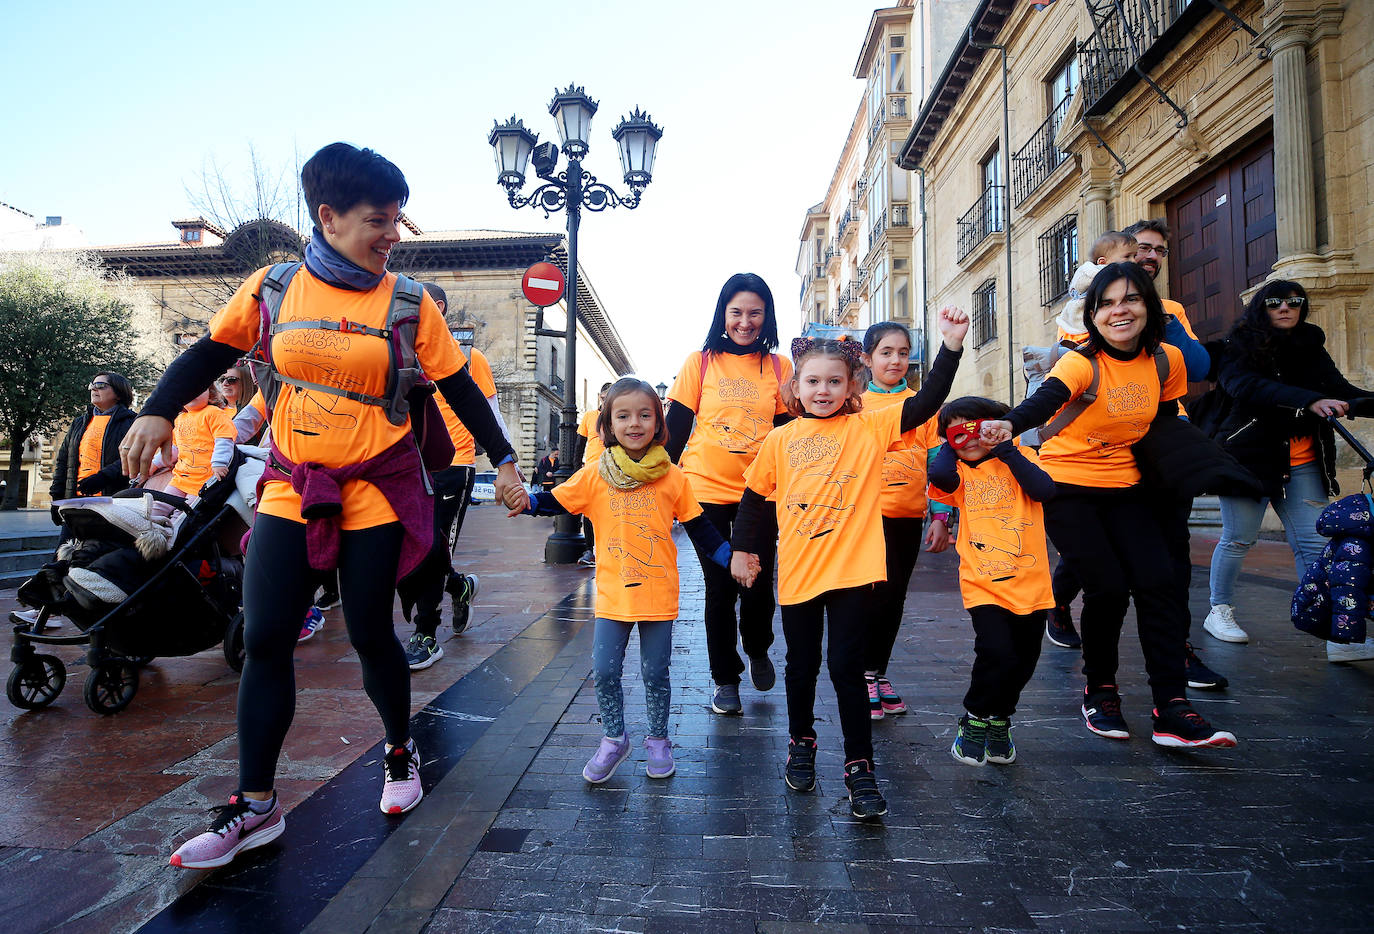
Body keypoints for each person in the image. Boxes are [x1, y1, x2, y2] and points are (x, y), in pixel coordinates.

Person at [120, 142, 527, 871]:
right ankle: (255, 807)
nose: (394, 234)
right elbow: (210, 355)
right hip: (292, 482)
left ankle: (400, 755)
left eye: (398, 219)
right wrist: (153, 409)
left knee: (372, 632)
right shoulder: (273, 288)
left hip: (377, 486)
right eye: (380, 220)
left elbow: (461, 389)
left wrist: (505, 462)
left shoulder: (408, 302)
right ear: (329, 217)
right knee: (267, 636)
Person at [981, 263, 1237, 749]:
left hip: (1127, 484)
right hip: (1067, 485)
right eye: (1107, 303)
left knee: (1160, 584)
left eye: (1131, 300)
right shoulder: (1081, 362)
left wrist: (1196, 463)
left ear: (1149, 307)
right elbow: (1045, 400)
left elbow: (1164, 417)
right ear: (1093, 314)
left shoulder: (1165, 361)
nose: (1119, 311)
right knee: (1108, 588)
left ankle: (1172, 707)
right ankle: (1100, 691)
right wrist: (1008, 425)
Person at [729, 308, 967, 820]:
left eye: (834, 381)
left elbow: (927, 402)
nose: (822, 390)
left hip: (854, 573)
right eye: (812, 381)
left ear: (851, 384)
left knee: (845, 669)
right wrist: (744, 553)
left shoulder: (870, 428)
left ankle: (861, 767)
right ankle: (802, 743)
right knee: (802, 666)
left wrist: (949, 347)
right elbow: (753, 497)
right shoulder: (779, 440)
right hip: (797, 575)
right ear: (795, 387)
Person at [507, 378, 729, 782]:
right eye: (623, 415)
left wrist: (732, 559)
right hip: (612, 597)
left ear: (659, 423)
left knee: (655, 673)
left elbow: (701, 529)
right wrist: (526, 501)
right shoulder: (595, 475)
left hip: (658, 596)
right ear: (608, 424)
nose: (634, 423)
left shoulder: (673, 477)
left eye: (645, 415)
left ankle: (659, 741)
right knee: (606, 671)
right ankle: (614, 739)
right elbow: (555, 501)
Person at [1205, 279, 1374, 655]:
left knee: (1314, 545)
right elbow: (1246, 386)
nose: (1286, 307)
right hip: (1248, 458)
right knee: (1238, 538)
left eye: (1295, 301)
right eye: (1275, 302)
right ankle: (1219, 609)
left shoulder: (1310, 344)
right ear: (1261, 307)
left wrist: (1363, 403)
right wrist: (1311, 401)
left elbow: (1341, 390)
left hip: (1302, 461)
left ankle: (1336, 636)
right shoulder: (1240, 345)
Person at [665, 273, 793, 716]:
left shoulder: (780, 369)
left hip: (762, 493)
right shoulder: (699, 363)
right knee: (719, 587)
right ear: (723, 313)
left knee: (757, 581)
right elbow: (676, 432)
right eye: (736, 311)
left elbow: (786, 436)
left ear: (766, 316)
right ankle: (725, 678)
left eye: (754, 312)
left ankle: (757, 645)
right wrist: (660, 493)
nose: (744, 321)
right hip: (704, 491)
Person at [1121, 218, 1227, 691]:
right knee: (1101, 557)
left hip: (1165, 442)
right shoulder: (1102, 304)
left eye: (1159, 251)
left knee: (1173, 554)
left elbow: (1202, 365)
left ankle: (1177, 650)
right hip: (1113, 445)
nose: (1151, 257)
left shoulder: (1170, 310)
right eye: (1142, 248)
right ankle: (1061, 608)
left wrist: (1162, 319)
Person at [929, 397, 1055, 767]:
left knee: (1024, 659)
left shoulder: (1022, 459)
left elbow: (1045, 491)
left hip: (1031, 582)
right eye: (957, 431)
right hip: (983, 582)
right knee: (996, 651)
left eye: (977, 427)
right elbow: (938, 477)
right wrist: (949, 445)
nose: (969, 438)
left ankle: (1000, 717)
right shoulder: (959, 475)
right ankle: (973, 717)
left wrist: (1004, 448)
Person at [402, 282, 508, 670]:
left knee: (432, 547)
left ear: (438, 308)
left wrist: (504, 464)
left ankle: (426, 634)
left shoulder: (467, 356)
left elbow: (489, 410)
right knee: (405, 546)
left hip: (454, 463)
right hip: (404, 465)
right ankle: (459, 586)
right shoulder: (396, 348)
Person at [858, 321, 953, 719]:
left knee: (895, 598)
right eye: (886, 353)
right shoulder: (856, 406)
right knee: (869, 598)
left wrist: (941, 515)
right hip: (867, 520)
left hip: (908, 517)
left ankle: (879, 672)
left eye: (902, 352)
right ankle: (863, 674)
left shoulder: (923, 405)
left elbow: (938, 461)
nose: (895, 360)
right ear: (867, 359)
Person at [49, 371, 137, 507]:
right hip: (74, 502)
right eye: (92, 385)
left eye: (101, 385)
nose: (94, 389)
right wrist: (56, 497)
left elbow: (134, 456)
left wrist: (104, 477)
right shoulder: (79, 423)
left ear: (119, 394)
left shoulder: (132, 422)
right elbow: (62, 461)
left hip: (115, 503)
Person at [161, 387, 237, 498]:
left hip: (205, 480)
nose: (192, 392)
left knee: (185, 513)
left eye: (199, 387)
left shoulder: (214, 413)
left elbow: (224, 439)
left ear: (210, 394)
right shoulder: (179, 419)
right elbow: (174, 448)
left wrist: (219, 462)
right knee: (160, 504)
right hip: (181, 477)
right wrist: (154, 464)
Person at [573, 382, 613, 567]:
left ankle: (608, 549)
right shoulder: (589, 417)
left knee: (610, 511)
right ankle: (590, 550)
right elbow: (579, 445)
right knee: (588, 512)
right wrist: (576, 471)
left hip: (612, 471)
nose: (605, 402)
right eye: (604, 398)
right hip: (590, 471)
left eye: (609, 398)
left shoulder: (616, 417)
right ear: (600, 397)